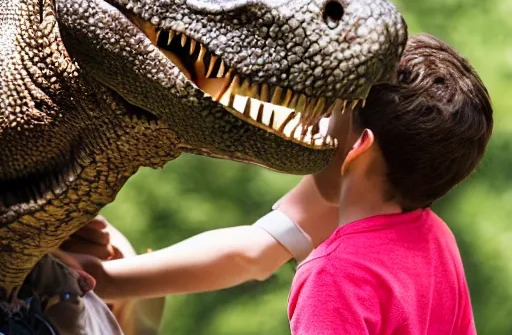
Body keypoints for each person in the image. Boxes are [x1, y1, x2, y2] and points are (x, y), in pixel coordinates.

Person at [64, 33, 493, 335]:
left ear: (359, 150)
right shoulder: (435, 238)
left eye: (332, 111)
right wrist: (106, 277)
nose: (312, 121)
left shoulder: (334, 280)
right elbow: (251, 251)